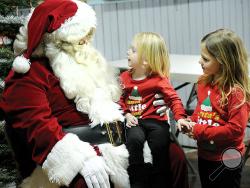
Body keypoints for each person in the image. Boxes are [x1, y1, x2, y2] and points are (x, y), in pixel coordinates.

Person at [180, 29, 250, 188]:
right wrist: (189, 122)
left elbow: (235, 130)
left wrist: (198, 130)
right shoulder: (203, 82)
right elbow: (201, 112)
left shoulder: (236, 93)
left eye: (205, 58)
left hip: (228, 157)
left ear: (223, 61)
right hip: (205, 154)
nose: (200, 61)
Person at [119, 32, 189, 188]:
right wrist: (127, 113)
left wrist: (180, 118)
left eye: (133, 50)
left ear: (145, 60)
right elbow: (119, 99)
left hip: (156, 121)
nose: (127, 52)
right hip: (135, 121)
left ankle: (161, 181)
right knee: (134, 140)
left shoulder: (159, 80)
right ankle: (137, 180)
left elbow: (174, 100)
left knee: (159, 145)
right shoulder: (123, 77)